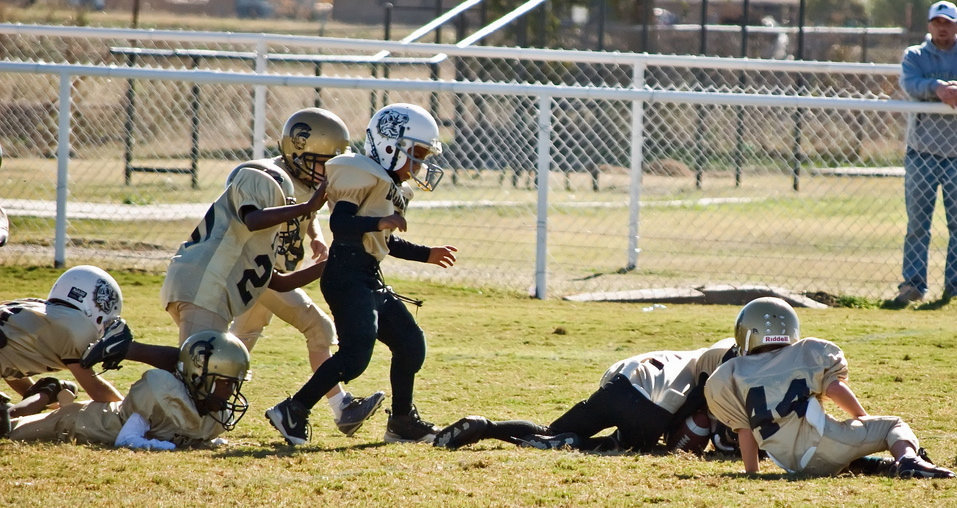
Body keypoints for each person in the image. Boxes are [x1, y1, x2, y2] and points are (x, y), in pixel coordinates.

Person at [83, 108, 386, 437]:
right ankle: (130, 368)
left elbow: (281, 275)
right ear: (297, 150)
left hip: (246, 282)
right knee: (199, 373)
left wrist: (328, 251)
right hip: (208, 281)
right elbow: (254, 218)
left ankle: (335, 408)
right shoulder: (262, 175)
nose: (326, 174)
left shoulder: (294, 188)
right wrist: (308, 207)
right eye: (320, 163)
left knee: (282, 340)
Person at [264, 103, 457, 446]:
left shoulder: (387, 184)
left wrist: (426, 254)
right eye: (417, 153)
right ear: (389, 146)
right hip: (345, 275)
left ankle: (401, 421)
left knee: (411, 344)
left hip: (368, 277)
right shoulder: (360, 173)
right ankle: (293, 409)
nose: (421, 164)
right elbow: (341, 224)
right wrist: (380, 222)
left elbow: (382, 239)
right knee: (354, 356)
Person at [704, 297, 955, 478]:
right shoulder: (807, 352)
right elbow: (834, 389)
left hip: (789, 462)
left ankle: (874, 465)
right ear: (790, 330)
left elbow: (745, 431)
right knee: (893, 425)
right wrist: (863, 421)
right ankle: (909, 461)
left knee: (838, 446)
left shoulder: (731, 372)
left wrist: (752, 473)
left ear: (746, 334)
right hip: (822, 443)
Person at [433, 339, 737, 452]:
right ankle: (587, 445)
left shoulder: (697, 355)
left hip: (621, 381)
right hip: (650, 405)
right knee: (627, 446)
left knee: (552, 430)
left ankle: (487, 427)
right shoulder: (723, 364)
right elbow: (723, 437)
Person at [5, 330, 251, 450]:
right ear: (198, 376)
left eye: (234, 384)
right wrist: (167, 447)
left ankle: (55, 393)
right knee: (8, 429)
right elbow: (127, 439)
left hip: (95, 420)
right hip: (80, 421)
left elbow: (190, 433)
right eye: (226, 382)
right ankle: (47, 392)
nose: (230, 392)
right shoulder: (161, 392)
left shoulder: (215, 414)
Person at [0, 265, 126, 427]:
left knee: (6, 412)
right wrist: (127, 412)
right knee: (4, 421)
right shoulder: (76, 326)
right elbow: (97, 390)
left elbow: (9, 358)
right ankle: (48, 390)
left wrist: (33, 392)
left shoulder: (38, 307)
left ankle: (46, 390)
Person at [897, 0, 957, 304]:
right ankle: (913, 285)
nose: (943, 28)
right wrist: (938, 89)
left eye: (948, 22)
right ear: (929, 25)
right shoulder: (915, 55)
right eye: (938, 22)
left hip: (956, 155)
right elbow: (910, 83)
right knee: (917, 224)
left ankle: (955, 288)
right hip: (922, 152)